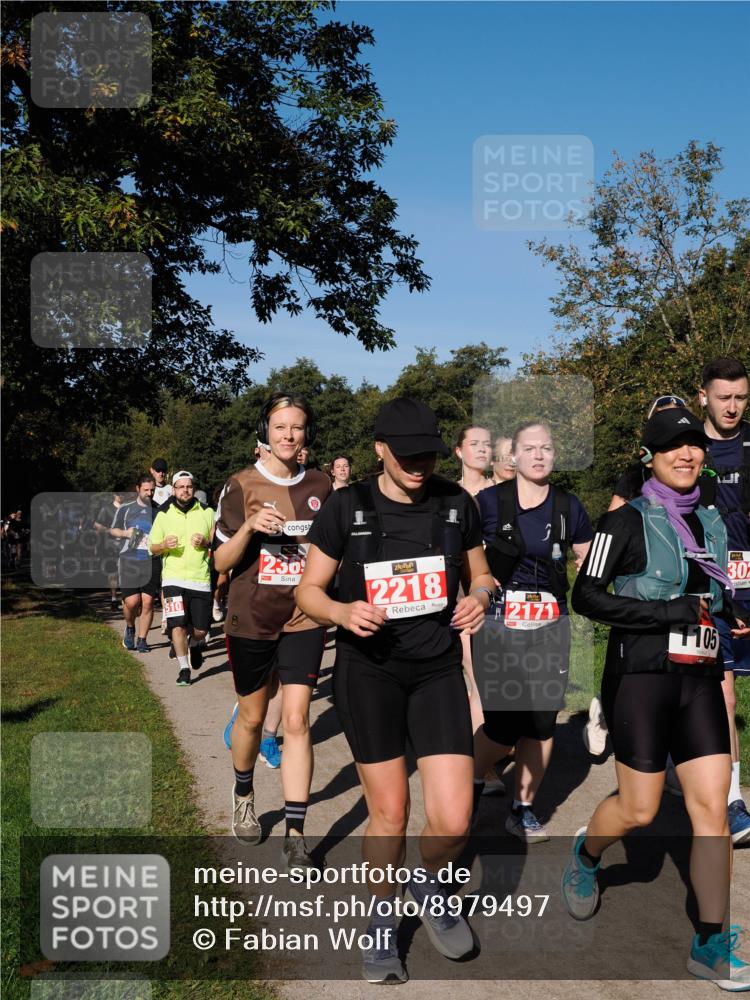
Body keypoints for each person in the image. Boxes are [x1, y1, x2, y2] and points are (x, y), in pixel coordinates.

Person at [297, 396, 495, 984]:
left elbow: (481, 573)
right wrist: (340, 610)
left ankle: (432, 886)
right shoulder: (345, 507)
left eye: (428, 455)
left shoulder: (457, 505)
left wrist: (480, 598)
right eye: (406, 455)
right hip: (370, 673)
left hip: (436, 671)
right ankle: (382, 930)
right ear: (379, 448)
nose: (419, 465)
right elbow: (308, 590)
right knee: (390, 811)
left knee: (455, 820)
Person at [564, 406, 750, 990]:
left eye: (694, 444)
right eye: (673, 446)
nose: (687, 454)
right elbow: (586, 597)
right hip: (641, 677)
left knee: (710, 810)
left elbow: (711, 593)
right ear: (649, 456)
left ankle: (711, 942)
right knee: (641, 809)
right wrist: (662, 612)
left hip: (699, 677)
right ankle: (587, 856)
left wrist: (732, 613)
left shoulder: (713, 520)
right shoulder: (622, 523)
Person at [213, 392, 331, 870]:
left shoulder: (322, 484)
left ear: (305, 434)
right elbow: (219, 562)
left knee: (298, 720)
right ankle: (243, 793)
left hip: (305, 617)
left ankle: (296, 832)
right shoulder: (240, 485)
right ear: (265, 432)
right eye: (280, 427)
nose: (288, 435)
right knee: (252, 718)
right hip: (253, 619)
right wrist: (249, 531)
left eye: (297, 428)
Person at [472, 421, 593, 842]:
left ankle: (522, 808)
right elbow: (462, 557)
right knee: (504, 725)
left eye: (546, 448)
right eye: (530, 448)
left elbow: (589, 558)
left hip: (550, 623)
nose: (539, 455)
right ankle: (467, 780)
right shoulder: (488, 503)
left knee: (542, 722)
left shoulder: (569, 506)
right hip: (499, 623)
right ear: (514, 457)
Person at [698, 358, 750, 844]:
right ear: (704, 398)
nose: (732, 407)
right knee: (724, 694)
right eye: (723, 397)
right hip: (708, 589)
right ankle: (734, 801)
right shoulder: (686, 446)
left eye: (740, 398)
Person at [454, 425, 502, 791]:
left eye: (487, 444)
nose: (483, 450)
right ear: (459, 452)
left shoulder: (505, 493)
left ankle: (491, 750)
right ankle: (481, 763)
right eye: (475, 444)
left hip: (508, 593)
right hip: (462, 592)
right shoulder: (448, 496)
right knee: (477, 675)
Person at [150, 471, 215, 686]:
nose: (185, 490)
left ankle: (196, 645)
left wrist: (205, 542)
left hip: (200, 578)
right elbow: (152, 547)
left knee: (201, 630)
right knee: (177, 625)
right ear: (174, 489)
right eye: (181, 487)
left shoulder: (207, 512)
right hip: (173, 579)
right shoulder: (163, 513)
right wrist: (163, 546)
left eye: (189, 486)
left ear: (193, 488)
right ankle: (184, 669)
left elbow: (216, 543)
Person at [110, 475, 161, 653]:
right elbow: (113, 530)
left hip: (151, 559)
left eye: (152, 490)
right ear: (137, 489)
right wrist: (125, 533)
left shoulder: (159, 511)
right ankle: (130, 627)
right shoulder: (125, 509)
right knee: (132, 602)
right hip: (129, 559)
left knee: (147, 602)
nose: (149, 493)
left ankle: (142, 640)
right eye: (146, 490)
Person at [94, 490, 124, 609]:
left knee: (126, 572)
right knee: (113, 572)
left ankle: (126, 598)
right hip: (111, 545)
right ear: (114, 495)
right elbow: (96, 525)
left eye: (122, 493)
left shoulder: (128, 508)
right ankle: (114, 598)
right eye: (118, 493)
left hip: (125, 544)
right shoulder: (106, 509)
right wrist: (109, 531)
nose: (120, 495)